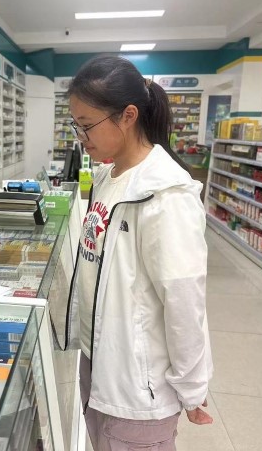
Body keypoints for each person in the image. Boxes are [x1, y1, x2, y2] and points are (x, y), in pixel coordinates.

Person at [64, 56, 213, 451]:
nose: (81, 136)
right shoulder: (107, 177)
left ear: (128, 116)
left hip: (138, 388)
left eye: (87, 124)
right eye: (75, 125)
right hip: (100, 362)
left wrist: (192, 386)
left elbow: (184, 298)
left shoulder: (166, 195)